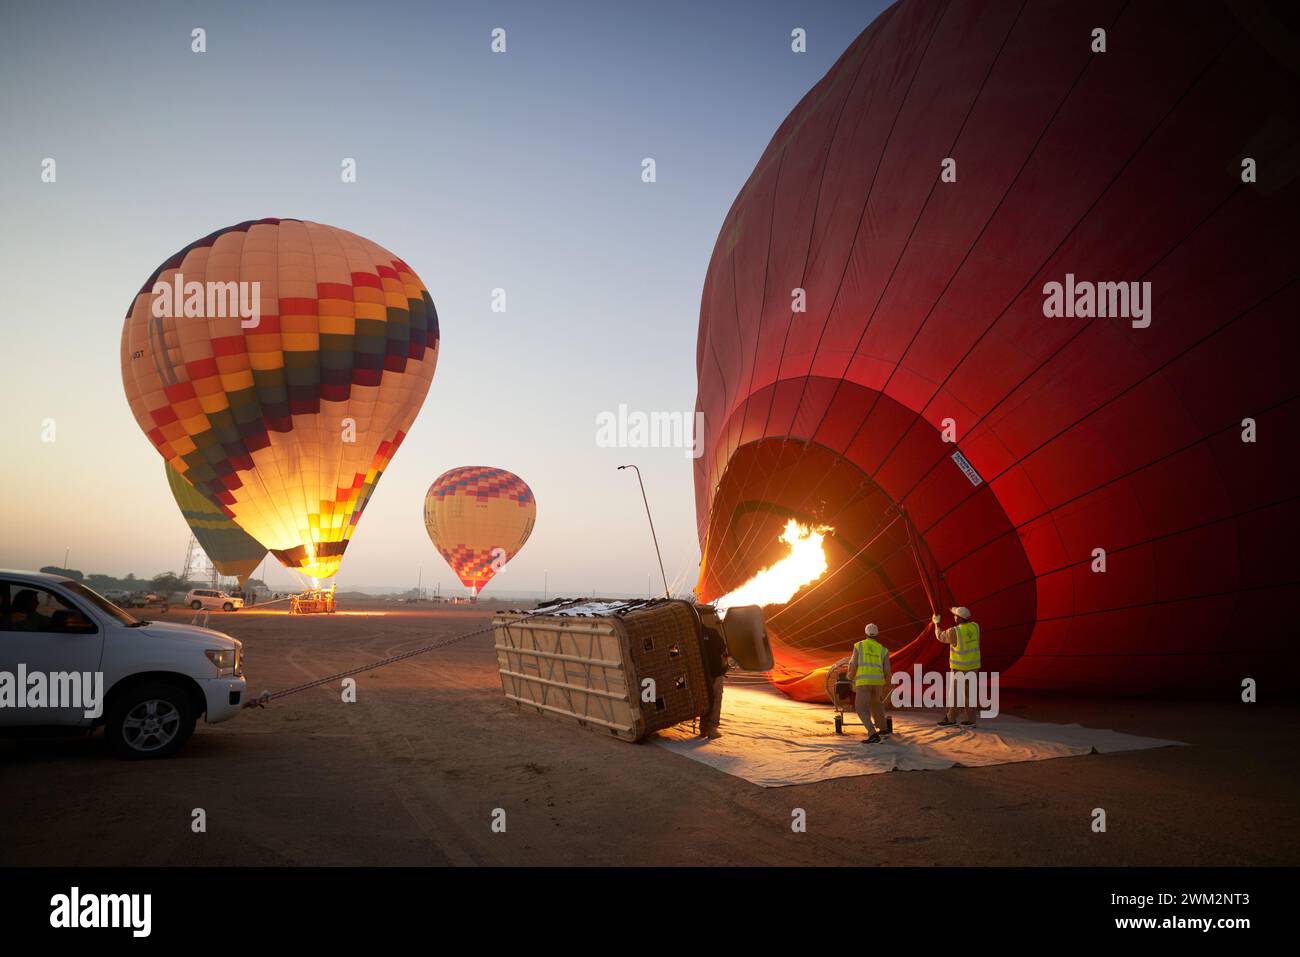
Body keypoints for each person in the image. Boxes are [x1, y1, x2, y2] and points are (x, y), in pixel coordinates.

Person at [933, 605, 981, 726]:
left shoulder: (954, 631)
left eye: (955, 616)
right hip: (973, 667)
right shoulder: (975, 627)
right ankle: (971, 720)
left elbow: (940, 636)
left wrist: (936, 623)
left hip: (959, 669)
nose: (954, 617)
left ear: (959, 618)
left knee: (954, 695)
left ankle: (951, 719)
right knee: (970, 695)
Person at [848, 623, 891, 743]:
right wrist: (888, 682)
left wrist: (849, 677)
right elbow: (887, 669)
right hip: (878, 682)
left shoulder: (859, 646)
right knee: (877, 705)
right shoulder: (883, 650)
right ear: (877, 634)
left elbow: (853, 664)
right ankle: (883, 729)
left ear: (866, 633)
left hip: (863, 682)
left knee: (861, 709)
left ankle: (872, 734)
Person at [698, 619, 729, 740]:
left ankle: (703, 727)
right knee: (716, 698)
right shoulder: (712, 632)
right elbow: (722, 649)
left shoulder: (692, 635)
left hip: (700, 674)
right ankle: (712, 728)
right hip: (715, 671)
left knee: (704, 699)